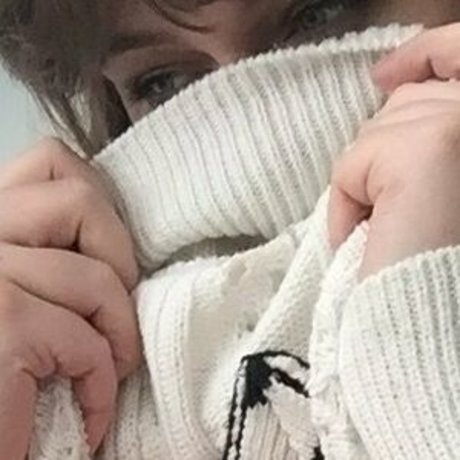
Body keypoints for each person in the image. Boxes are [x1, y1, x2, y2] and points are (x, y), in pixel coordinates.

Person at [0, 1, 459, 459]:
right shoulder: (83, 378)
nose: (267, 137)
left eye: (319, 14)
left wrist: (415, 325)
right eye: (164, 82)